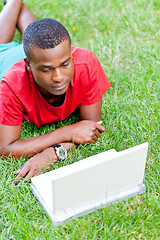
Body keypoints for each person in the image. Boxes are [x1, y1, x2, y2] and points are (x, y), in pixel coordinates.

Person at [0, 0, 111, 184]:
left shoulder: (85, 64)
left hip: (39, 54)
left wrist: (52, 153)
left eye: (65, 64)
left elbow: (91, 127)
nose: (59, 77)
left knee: (39, 37)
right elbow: (5, 148)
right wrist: (65, 133)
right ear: (28, 65)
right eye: (47, 70)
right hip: (5, 60)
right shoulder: (11, 85)